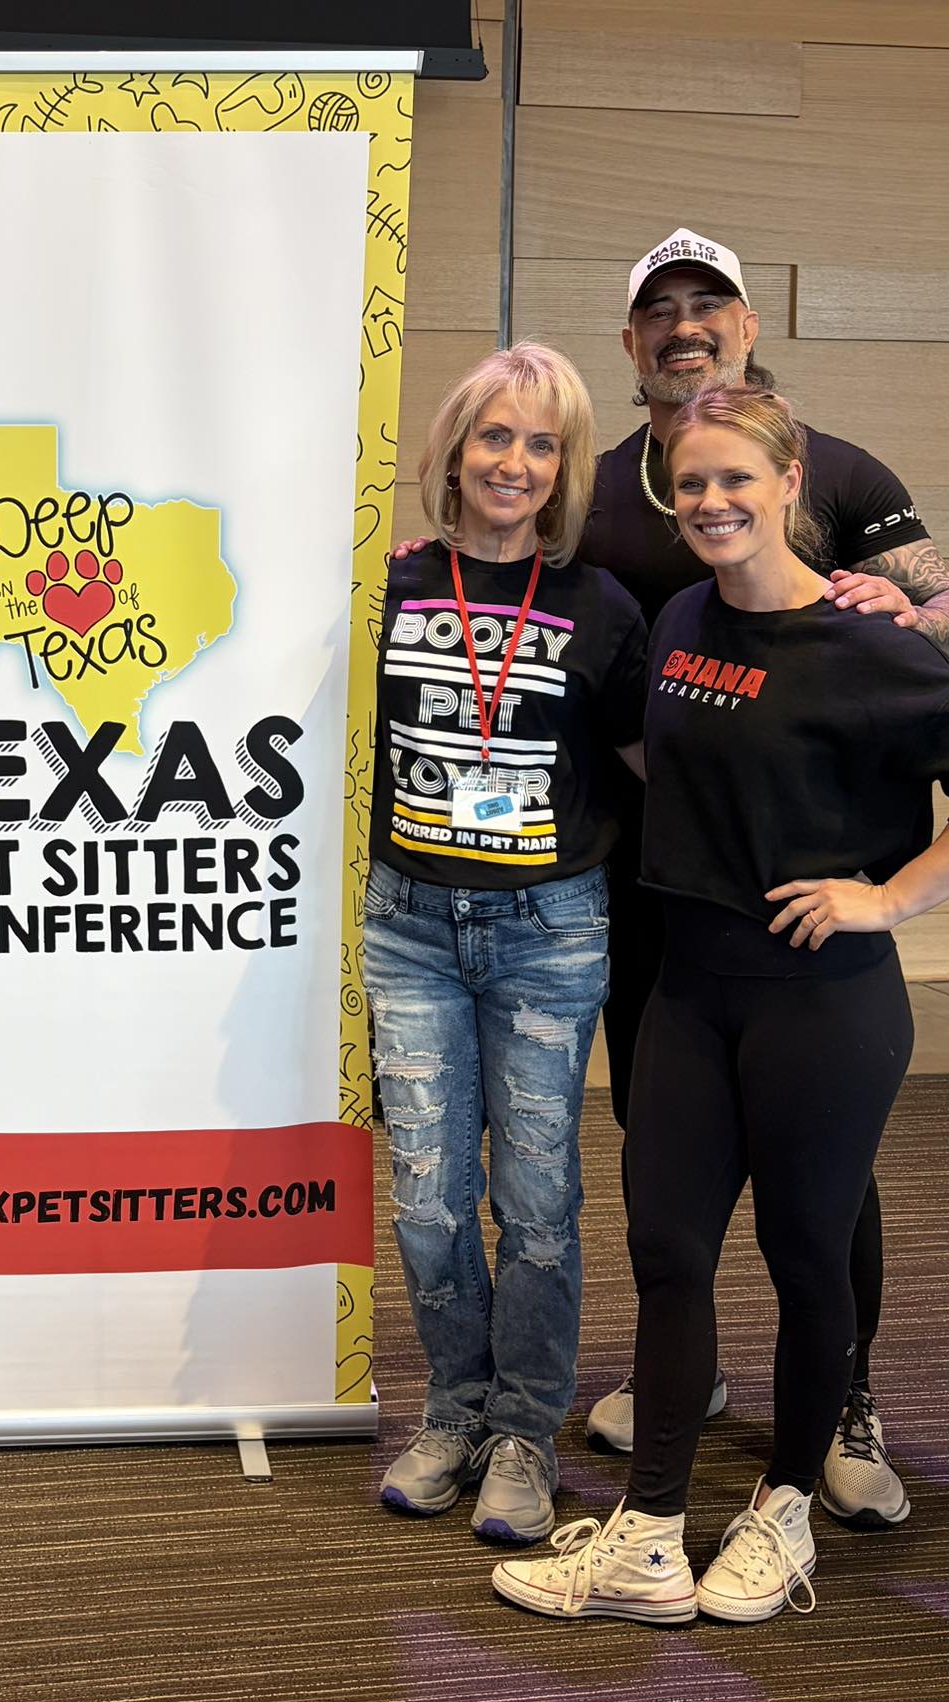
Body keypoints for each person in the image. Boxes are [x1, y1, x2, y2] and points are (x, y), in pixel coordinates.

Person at [397, 229, 949, 1529]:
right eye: (656, 311)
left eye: (704, 303)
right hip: (640, 896)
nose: (682, 326)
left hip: (797, 907)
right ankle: (698, 1368)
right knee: (663, 1149)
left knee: (820, 1167)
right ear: (628, 343)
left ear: (747, 324)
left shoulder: (826, 467)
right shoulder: (593, 488)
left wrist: (896, 621)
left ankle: (844, 1405)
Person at [491, 387, 949, 1626]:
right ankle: (645, 1534)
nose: (711, 503)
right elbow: (655, 744)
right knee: (667, 1254)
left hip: (822, 1003)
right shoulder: (684, 613)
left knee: (807, 1261)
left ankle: (785, 1501)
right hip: (688, 991)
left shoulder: (869, 641)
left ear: (790, 483)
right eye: (691, 485)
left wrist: (888, 897)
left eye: (735, 481)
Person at [367, 343, 648, 1544]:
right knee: (427, 1197)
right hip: (409, 925)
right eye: (494, 435)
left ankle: (525, 1430)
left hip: (546, 929)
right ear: (453, 447)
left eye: (542, 444)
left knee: (533, 1196)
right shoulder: (385, 584)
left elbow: (650, 772)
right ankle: (453, 1406)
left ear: (564, 467)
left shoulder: (600, 605)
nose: (514, 462)